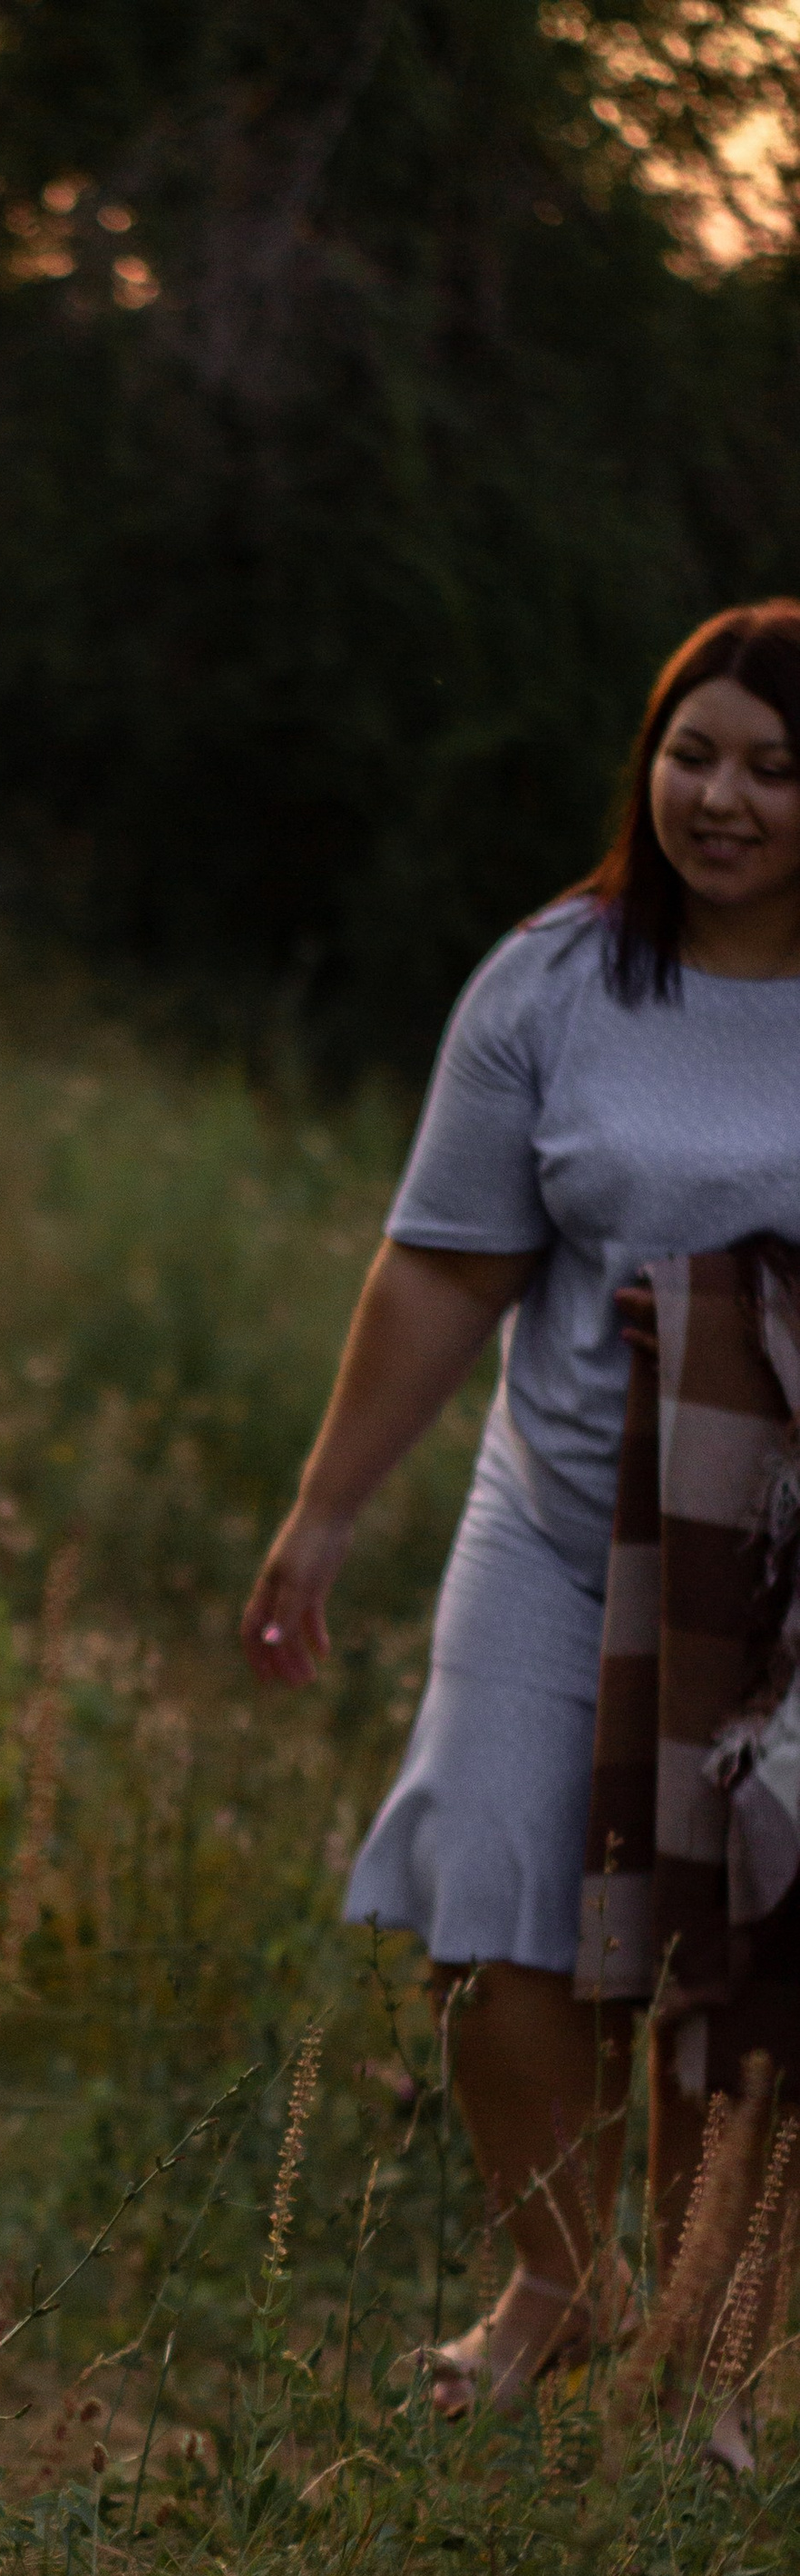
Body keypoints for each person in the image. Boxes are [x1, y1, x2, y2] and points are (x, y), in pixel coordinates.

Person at [242, 603, 800, 2433]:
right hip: (555, 1526)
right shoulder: (556, 978)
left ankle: (708, 2374)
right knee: (490, 1921)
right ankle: (560, 2284)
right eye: (690, 751)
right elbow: (437, 1265)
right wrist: (322, 1514)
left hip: (781, 1580)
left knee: (745, 1953)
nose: (719, 798)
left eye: (774, 770)